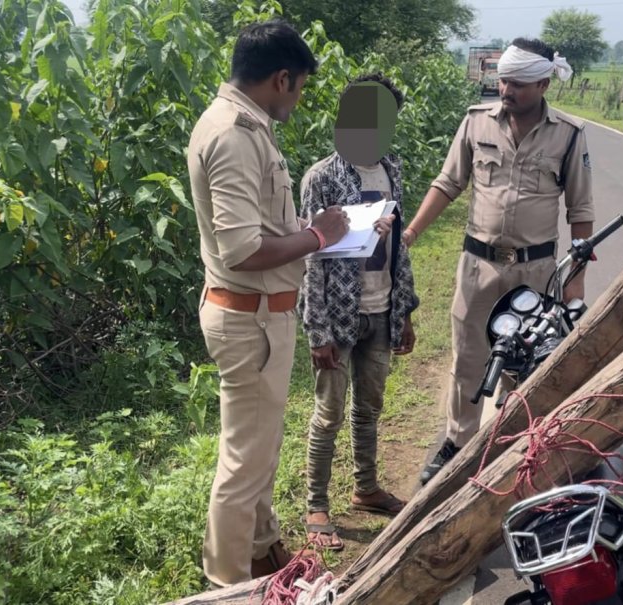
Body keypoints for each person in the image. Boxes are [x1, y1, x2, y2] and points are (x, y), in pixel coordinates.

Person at [187, 19, 349, 586]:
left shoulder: (247, 126)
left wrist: (305, 233)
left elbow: (256, 228)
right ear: (282, 78)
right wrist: (319, 235)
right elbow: (240, 249)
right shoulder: (234, 134)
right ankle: (227, 585)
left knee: (258, 452)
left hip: (259, 315)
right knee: (242, 464)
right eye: (300, 88)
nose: (299, 100)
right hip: (249, 318)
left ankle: (262, 553)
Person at [402, 38, 595, 485]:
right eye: (504, 80)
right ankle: (457, 443)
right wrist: (411, 233)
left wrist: (575, 286)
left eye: (520, 84)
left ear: (544, 83)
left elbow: (581, 213)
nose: (507, 89)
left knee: (526, 363)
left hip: (535, 271)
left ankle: (519, 447)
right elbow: (447, 183)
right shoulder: (476, 123)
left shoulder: (568, 135)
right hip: (479, 267)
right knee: (468, 358)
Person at [298, 74, 419, 550]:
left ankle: (365, 489)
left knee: (369, 408)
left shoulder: (391, 168)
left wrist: (404, 310)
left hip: (381, 307)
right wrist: (317, 330)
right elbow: (311, 257)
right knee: (328, 413)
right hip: (339, 315)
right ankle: (316, 505)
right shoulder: (321, 177)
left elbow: (400, 250)